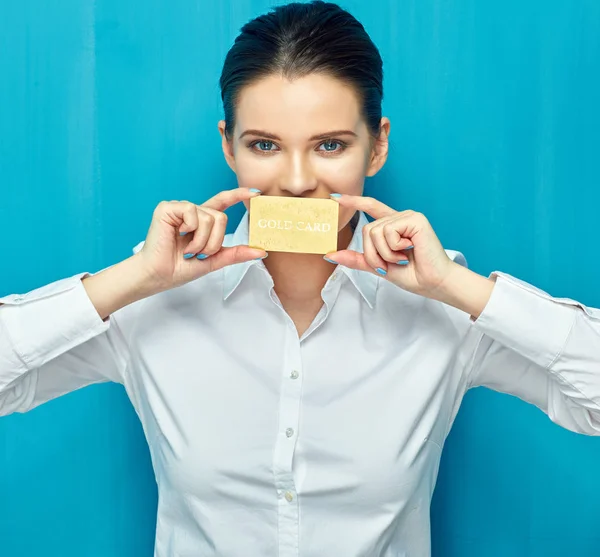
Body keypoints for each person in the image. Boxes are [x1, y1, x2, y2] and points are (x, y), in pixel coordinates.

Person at [1, 1, 599, 556]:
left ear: (377, 147)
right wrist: (131, 281)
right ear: (229, 148)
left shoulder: (446, 309)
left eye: (330, 145)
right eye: (264, 144)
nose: (294, 180)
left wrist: (458, 290)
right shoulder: (148, 301)